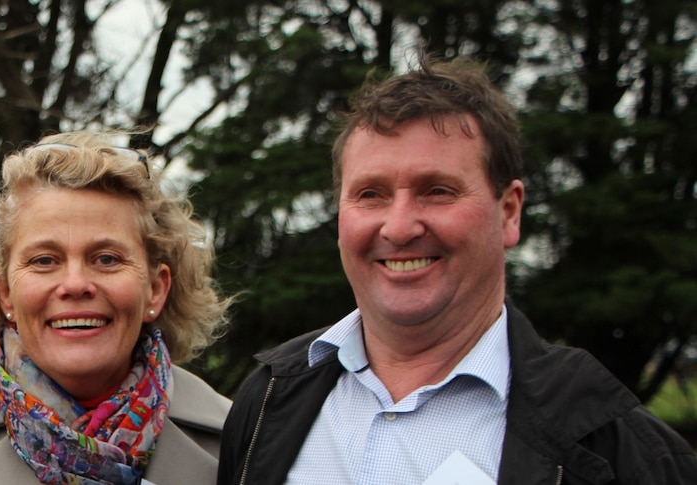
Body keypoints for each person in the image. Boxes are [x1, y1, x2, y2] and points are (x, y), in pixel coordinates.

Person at [217, 55, 697, 484]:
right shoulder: (267, 400)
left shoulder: (620, 451)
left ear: (508, 211)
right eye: (371, 194)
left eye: (437, 191)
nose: (400, 227)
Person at [0, 131, 235, 484]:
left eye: (107, 259)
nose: (75, 284)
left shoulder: (240, 441)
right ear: (5, 293)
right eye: (44, 260)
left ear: (155, 289)